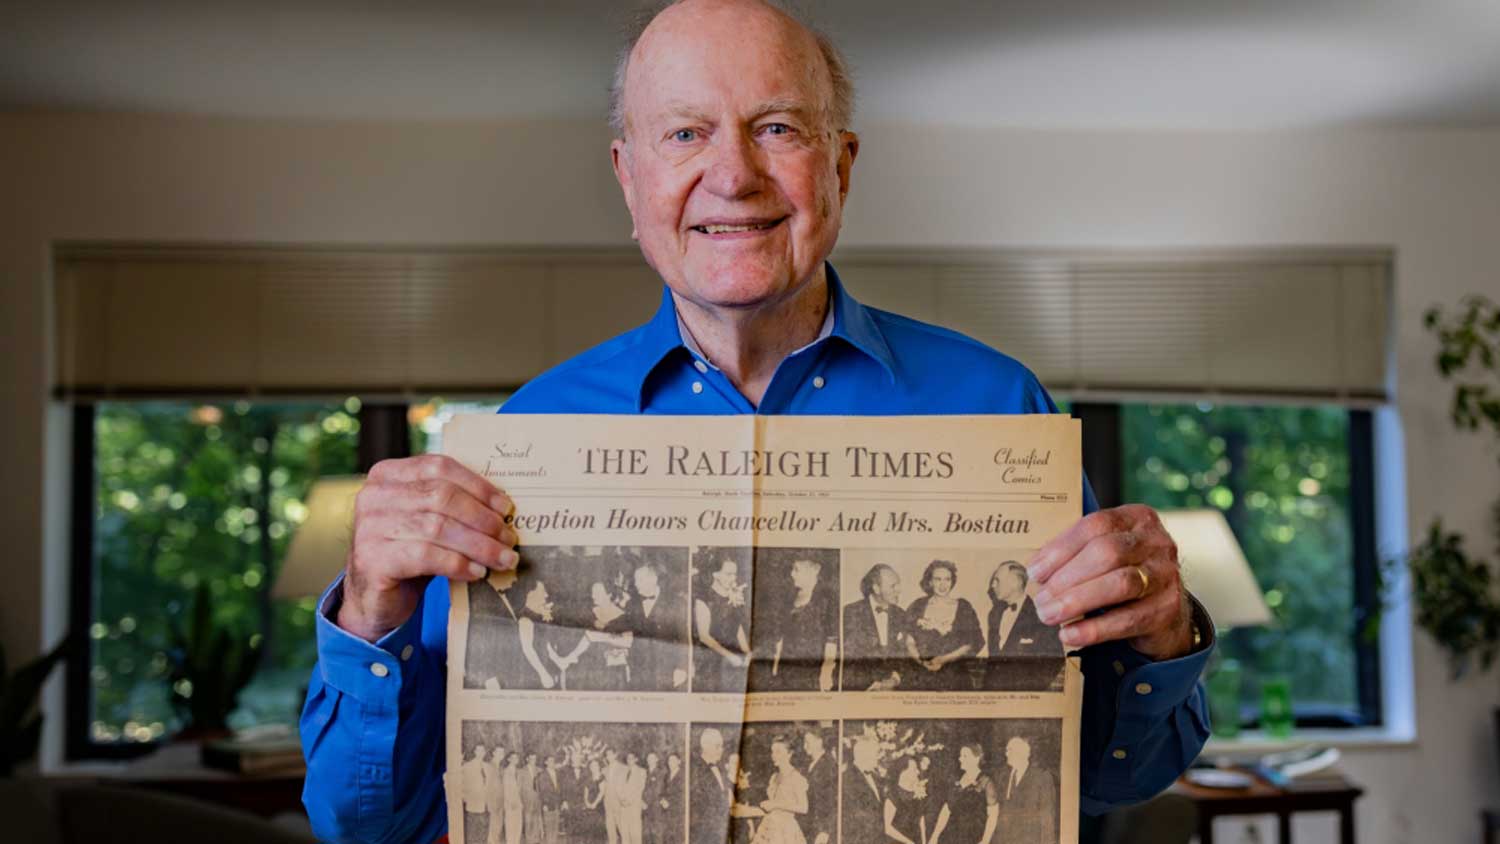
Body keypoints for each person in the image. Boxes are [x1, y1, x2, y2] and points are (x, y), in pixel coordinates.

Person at [300, 1, 1214, 839]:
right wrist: (371, 603)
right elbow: (372, 821)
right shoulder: (528, 436)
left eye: (776, 129)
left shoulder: (999, 405)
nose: (732, 175)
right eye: (685, 133)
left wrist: (1159, 636)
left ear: (841, 167)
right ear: (629, 177)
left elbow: (1114, 778)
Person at [754, 556, 837, 693]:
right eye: (792, 569)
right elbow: (782, 635)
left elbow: (832, 639)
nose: (792, 574)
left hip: (813, 672)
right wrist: (776, 666)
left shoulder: (826, 598)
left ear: (813, 571)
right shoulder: (790, 596)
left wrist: (826, 672)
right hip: (786, 669)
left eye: (796, 570)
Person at [983, 560, 1063, 691]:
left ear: (1016, 582)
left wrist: (1028, 694)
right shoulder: (994, 614)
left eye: (997, 580)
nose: (992, 585)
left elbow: (1055, 661)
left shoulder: (1043, 614)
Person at [904, 561, 984, 691]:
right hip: (923, 676)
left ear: (952, 582)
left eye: (947, 579)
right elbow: (909, 642)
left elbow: (973, 642)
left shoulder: (964, 607)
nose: (943, 584)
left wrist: (943, 659)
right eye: (937, 579)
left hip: (956, 677)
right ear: (930, 582)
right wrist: (921, 661)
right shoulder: (917, 606)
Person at [841, 564, 912, 692]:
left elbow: (906, 656)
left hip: (894, 690)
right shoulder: (850, 612)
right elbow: (848, 660)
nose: (899, 590)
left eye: (898, 584)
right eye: (893, 586)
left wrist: (896, 679)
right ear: (876, 588)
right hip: (861, 689)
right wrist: (873, 684)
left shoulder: (901, 614)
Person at [692, 555, 752, 693]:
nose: (733, 579)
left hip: (732, 661)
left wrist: (747, 651)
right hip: (711, 661)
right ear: (715, 574)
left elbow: (737, 629)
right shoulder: (703, 598)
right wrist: (730, 656)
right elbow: (704, 636)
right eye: (728, 574)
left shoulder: (734, 596)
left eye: (734, 574)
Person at [627, 561, 689, 691]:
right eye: (635, 580)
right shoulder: (631, 604)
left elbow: (684, 637)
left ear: (653, 579)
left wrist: (682, 667)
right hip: (638, 669)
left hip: (665, 668)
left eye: (640, 579)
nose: (636, 584)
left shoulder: (676, 603)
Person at [933, 744, 999, 844]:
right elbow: (946, 810)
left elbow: (993, 815)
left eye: (964, 756)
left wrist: (985, 841)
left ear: (976, 758)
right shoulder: (958, 780)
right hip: (951, 836)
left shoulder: (986, 782)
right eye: (960, 756)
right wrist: (935, 836)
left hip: (974, 838)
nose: (960, 759)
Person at [749, 737, 808, 844]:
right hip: (768, 826)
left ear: (789, 754)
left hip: (786, 830)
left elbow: (804, 807)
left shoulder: (796, 777)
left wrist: (776, 805)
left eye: (778, 752)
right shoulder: (774, 777)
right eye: (772, 752)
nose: (773, 756)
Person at [998, 737, 1056, 843]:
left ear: (1024, 752)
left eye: (1010, 749)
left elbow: (1047, 818)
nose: (1006, 754)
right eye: (1006, 750)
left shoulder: (1042, 776)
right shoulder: (1003, 777)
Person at [690, 728, 734, 844]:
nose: (721, 750)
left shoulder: (720, 769)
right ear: (705, 746)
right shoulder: (695, 770)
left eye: (722, 746)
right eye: (717, 746)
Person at [800, 732, 835, 844]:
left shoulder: (829, 765)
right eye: (804, 743)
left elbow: (832, 801)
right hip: (808, 827)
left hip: (820, 831)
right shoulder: (808, 765)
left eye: (807, 742)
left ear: (819, 741)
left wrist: (825, 831)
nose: (804, 747)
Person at [541, 753, 566, 844]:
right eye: (550, 761)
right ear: (546, 762)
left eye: (553, 761)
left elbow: (561, 788)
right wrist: (544, 804)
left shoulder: (558, 773)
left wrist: (563, 801)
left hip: (557, 804)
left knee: (555, 827)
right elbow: (542, 791)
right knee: (549, 827)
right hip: (548, 805)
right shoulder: (542, 775)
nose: (552, 763)